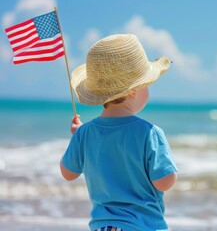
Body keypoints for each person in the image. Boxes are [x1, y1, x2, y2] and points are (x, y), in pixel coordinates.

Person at [60, 34, 177, 231]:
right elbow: (164, 182)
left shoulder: (85, 133)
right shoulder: (150, 133)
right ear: (133, 91)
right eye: (147, 84)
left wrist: (79, 138)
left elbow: (68, 173)